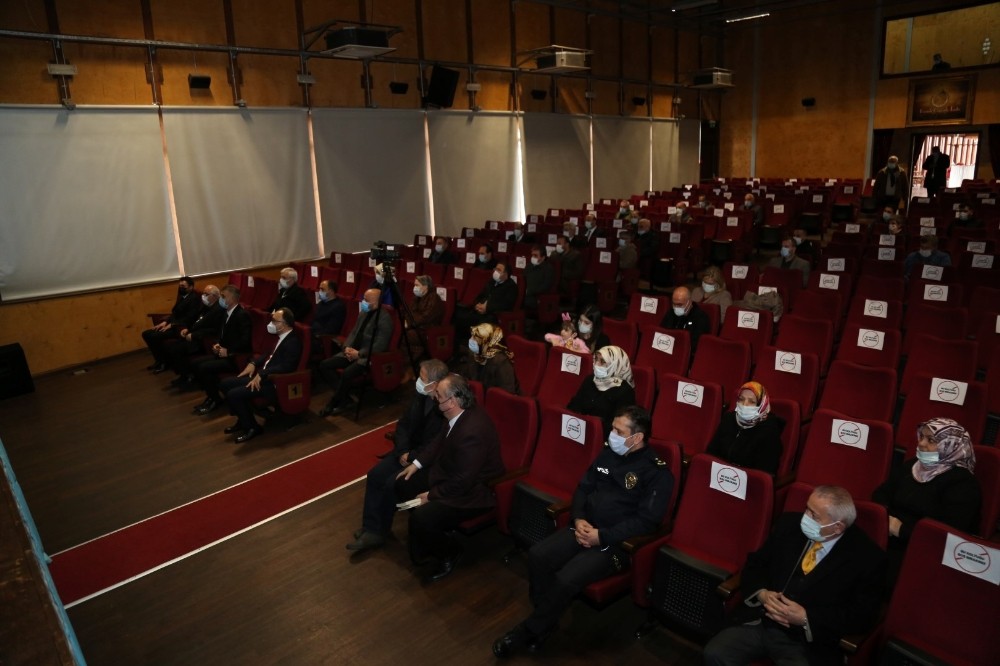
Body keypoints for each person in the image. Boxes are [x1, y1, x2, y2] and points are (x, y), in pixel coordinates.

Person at [492, 406, 674, 658]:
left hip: (614, 542)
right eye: (613, 428)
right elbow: (583, 488)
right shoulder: (608, 452)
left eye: (618, 431)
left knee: (566, 579)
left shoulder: (656, 472)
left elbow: (647, 522)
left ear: (637, 438)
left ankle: (528, 630)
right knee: (537, 556)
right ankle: (545, 619)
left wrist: (602, 536)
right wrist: (578, 518)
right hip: (583, 526)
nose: (612, 434)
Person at [703, 486, 885, 666]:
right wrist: (762, 594)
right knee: (715, 654)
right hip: (761, 620)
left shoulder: (867, 558)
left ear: (837, 527)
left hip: (807, 642)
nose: (806, 517)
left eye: (815, 515)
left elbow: (862, 615)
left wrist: (806, 618)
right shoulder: (788, 525)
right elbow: (755, 565)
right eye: (807, 508)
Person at [394, 374, 505, 581]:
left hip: (472, 493)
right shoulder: (456, 415)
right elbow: (438, 442)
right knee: (404, 483)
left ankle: (449, 552)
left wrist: (432, 495)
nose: (434, 399)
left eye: (438, 396)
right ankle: (428, 540)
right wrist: (416, 465)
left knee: (422, 517)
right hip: (451, 476)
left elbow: (464, 481)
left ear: (451, 402)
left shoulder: (473, 432)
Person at [346, 359, 449, 553]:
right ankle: (371, 527)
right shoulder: (420, 396)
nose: (417, 380)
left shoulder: (444, 406)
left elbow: (436, 445)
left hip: (424, 461)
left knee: (390, 483)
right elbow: (403, 424)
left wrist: (411, 456)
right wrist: (402, 451)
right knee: (375, 475)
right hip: (406, 451)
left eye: (422, 378)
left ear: (435, 384)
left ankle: (378, 532)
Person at [873, 418, 981, 582]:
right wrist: (885, 518)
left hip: (925, 550)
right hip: (889, 533)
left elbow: (948, 533)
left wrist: (902, 529)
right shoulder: (913, 466)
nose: (921, 443)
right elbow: (880, 494)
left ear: (950, 446)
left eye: (931, 440)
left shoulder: (964, 484)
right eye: (921, 437)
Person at [219, 307, 303, 443]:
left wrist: (263, 373)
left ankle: (252, 428)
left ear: (284, 324)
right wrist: (253, 363)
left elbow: (287, 367)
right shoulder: (279, 337)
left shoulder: (293, 342)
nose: (271, 323)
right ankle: (243, 418)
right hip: (262, 377)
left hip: (273, 383)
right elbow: (267, 355)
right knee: (225, 384)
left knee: (233, 394)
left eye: (275, 321)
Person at [318, 288, 394, 416]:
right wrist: (346, 347)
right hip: (351, 351)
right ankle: (345, 398)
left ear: (376, 302)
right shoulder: (364, 312)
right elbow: (354, 332)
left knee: (347, 374)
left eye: (366, 300)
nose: (363, 301)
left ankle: (334, 402)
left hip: (367, 356)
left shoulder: (384, 319)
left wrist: (358, 354)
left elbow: (380, 345)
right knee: (324, 365)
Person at [191, 284, 253, 414]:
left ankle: (215, 400)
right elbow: (222, 335)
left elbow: (245, 341)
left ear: (233, 298)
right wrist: (218, 344)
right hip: (223, 352)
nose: (221, 299)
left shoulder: (241, 315)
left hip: (234, 357)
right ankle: (211, 396)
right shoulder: (226, 313)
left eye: (223, 297)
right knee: (196, 364)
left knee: (204, 368)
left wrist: (228, 350)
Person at [707, 382, 785, 475]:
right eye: (741, 399)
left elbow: (763, 475)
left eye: (751, 402)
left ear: (762, 405)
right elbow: (711, 453)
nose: (745, 404)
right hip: (720, 475)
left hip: (747, 483)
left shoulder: (769, 433)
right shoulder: (728, 419)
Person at [566, 346, 636, 437]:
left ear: (616, 365)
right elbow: (574, 406)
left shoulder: (625, 392)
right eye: (596, 359)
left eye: (603, 362)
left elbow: (617, 427)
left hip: (601, 437)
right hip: (577, 431)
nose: (596, 364)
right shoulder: (590, 380)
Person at [142, 276, 202, 373]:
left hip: (180, 328)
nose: (181, 288)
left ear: (191, 287)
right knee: (146, 334)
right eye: (180, 286)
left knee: (154, 337)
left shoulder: (194, 299)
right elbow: (175, 313)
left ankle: (164, 363)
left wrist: (172, 324)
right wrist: (165, 322)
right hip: (173, 324)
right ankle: (159, 360)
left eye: (183, 286)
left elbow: (190, 318)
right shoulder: (182, 296)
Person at [452, 323, 519, 395]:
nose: (471, 340)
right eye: (472, 336)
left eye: (476, 338)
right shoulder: (472, 354)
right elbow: (467, 377)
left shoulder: (501, 362)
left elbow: (507, 393)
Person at [454, 261, 518, 331]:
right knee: (457, 314)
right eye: (495, 269)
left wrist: (487, 308)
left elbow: (506, 305)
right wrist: (477, 304)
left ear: (506, 274)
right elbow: (480, 295)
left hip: (492, 314)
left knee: (483, 323)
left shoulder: (511, 287)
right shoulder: (491, 281)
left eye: (499, 270)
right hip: (479, 311)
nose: (495, 271)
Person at [404, 275, 444, 361]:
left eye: (417, 285)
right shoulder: (417, 297)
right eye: (414, 285)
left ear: (425, 286)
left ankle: (413, 358)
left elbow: (425, 317)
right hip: (416, 326)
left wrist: (409, 323)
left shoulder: (434, 298)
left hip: (427, 329)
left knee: (405, 335)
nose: (415, 288)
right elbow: (409, 311)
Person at [660, 286, 711, 355]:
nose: (676, 307)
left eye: (679, 304)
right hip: (666, 349)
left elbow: (696, 344)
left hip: (685, 354)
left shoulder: (700, 318)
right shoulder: (671, 312)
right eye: (674, 304)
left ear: (689, 302)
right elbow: (661, 331)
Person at [523, 245, 555, 311]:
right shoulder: (529, 265)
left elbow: (545, 286)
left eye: (535, 255)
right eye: (532, 255)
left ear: (543, 257)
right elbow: (523, 279)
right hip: (525, 293)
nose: (533, 257)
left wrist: (529, 291)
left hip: (536, 297)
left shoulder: (548, 269)